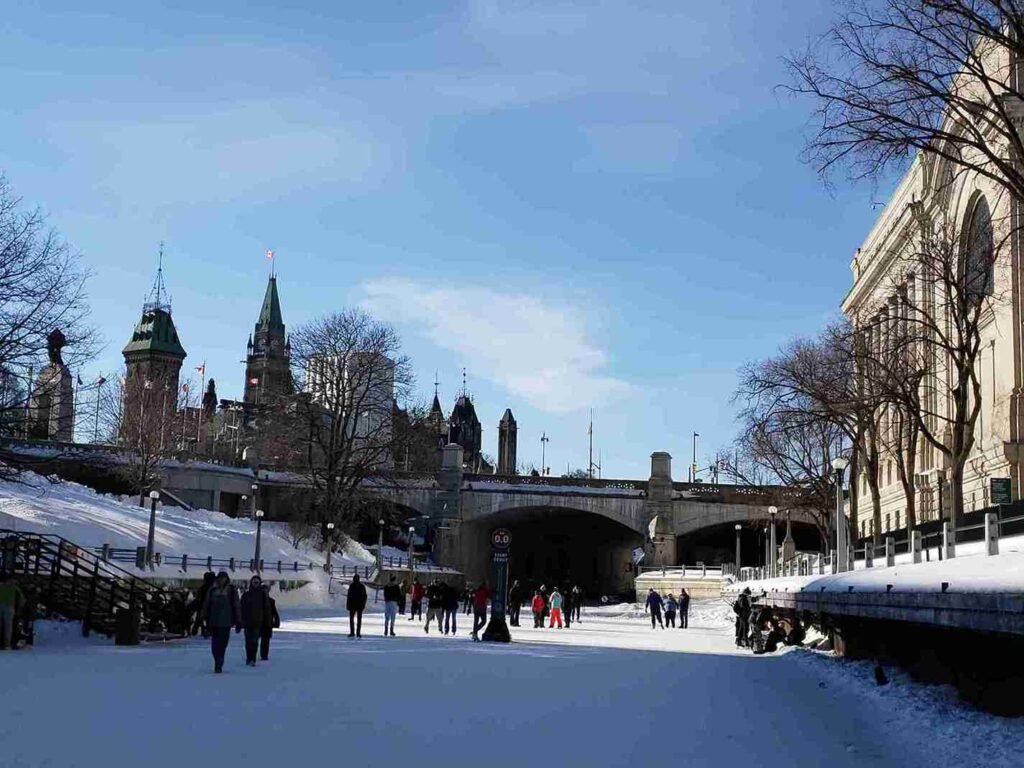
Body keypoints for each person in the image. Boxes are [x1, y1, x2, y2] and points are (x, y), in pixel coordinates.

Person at [203, 571, 241, 673]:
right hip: (213, 621)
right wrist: (202, 617)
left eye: (223, 578)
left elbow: (236, 605)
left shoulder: (231, 590)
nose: (221, 580)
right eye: (220, 578)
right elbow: (206, 605)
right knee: (215, 645)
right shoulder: (212, 590)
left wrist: (238, 621)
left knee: (223, 644)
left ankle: (220, 661)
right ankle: (217, 660)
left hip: (226, 622)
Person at [240, 575, 268, 666]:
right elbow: (241, 608)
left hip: (258, 622)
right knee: (248, 642)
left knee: (255, 641)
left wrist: (267, 622)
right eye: (254, 582)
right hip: (247, 622)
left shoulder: (263, 595)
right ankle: (249, 657)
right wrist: (240, 621)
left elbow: (266, 609)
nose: (255, 584)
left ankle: (253, 658)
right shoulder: (246, 595)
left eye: (257, 582)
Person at [0, 572, 24, 650]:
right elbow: (22, 599)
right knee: (8, 626)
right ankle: (7, 644)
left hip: (2, 606)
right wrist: (19, 608)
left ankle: (2, 643)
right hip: (9, 607)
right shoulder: (15, 587)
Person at [190, 571, 215, 636]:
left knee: (199, 620)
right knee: (208, 620)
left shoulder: (203, 588)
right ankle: (208, 631)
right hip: (209, 607)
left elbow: (199, 598)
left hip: (202, 606)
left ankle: (195, 632)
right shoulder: (213, 588)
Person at [259, 584, 280, 661]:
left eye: (266, 590)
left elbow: (274, 613)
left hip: (267, 623)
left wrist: (276, 622)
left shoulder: (271, 601)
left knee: (265, 641)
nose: (264, 592)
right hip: (258, 622)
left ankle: (264, 655)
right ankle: (256, 655)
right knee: (255, 640)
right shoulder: (257, 601)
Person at [347, 573, 367, 638]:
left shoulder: (352, 586)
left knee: (352, 619)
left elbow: (349, 596)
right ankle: (358, 633)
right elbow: (365, 596)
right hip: (359, 605)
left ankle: (352, 632)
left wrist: (348, 605)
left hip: (353, 605)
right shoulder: (361, 586)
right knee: (359, 619)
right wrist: (363, 604)